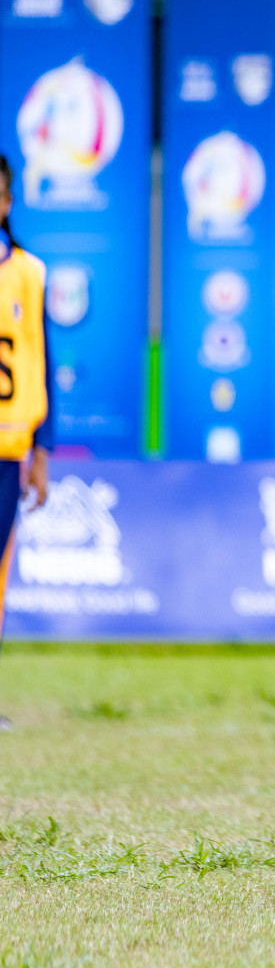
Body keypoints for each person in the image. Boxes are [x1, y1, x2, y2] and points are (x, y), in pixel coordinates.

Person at [0, 152, 54, 734]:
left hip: (9, 449)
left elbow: (43, 360)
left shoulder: (30, 273)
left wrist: (42, 450)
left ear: (7, 201)